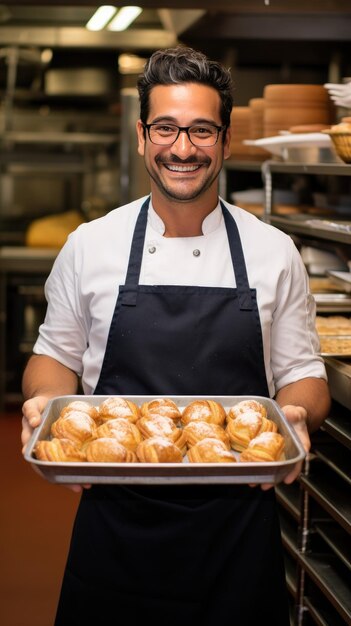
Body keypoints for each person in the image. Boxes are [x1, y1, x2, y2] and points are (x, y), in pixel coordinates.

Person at [21, 45, 331, 626]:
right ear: (142, 136)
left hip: (239, 526)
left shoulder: (273, 252)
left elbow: (303, 375)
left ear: (226, 139)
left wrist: (296, 418)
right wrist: (46, 404)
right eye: (166, 128)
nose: (183, 148)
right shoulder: (91, 245)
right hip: (115, 522)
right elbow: (54, 358)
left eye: (201, 130)